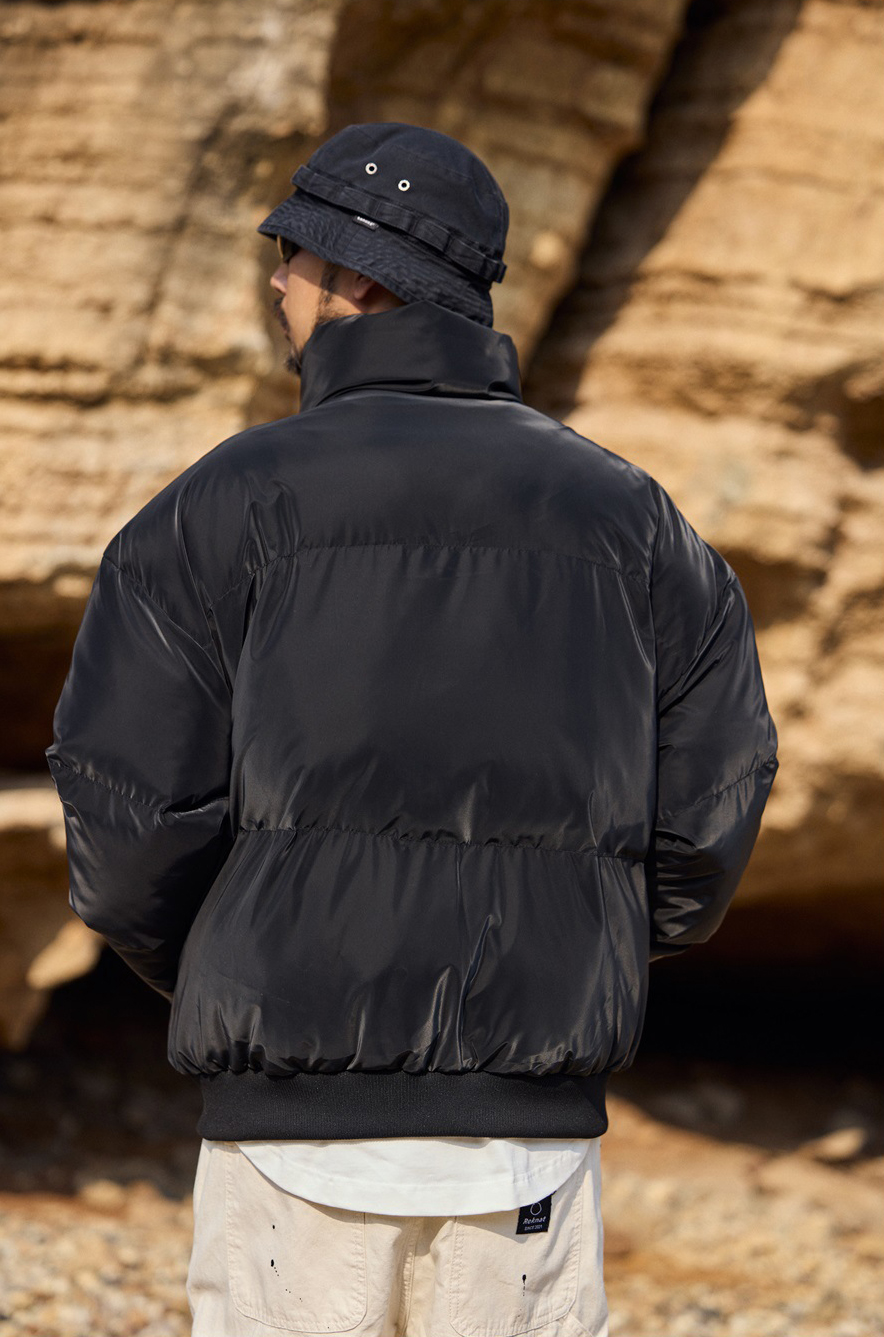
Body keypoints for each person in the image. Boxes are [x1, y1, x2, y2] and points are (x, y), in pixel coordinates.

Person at [46, 121, 778, 1336]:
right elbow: (711, 802)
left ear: (359, 277)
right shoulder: (635, 519)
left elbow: (125, 816)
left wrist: (255, 962)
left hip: (290, 1146)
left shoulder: (219, 503)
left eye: (290, 254)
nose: (274, 281)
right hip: (527, 1145)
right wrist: (567, 952)